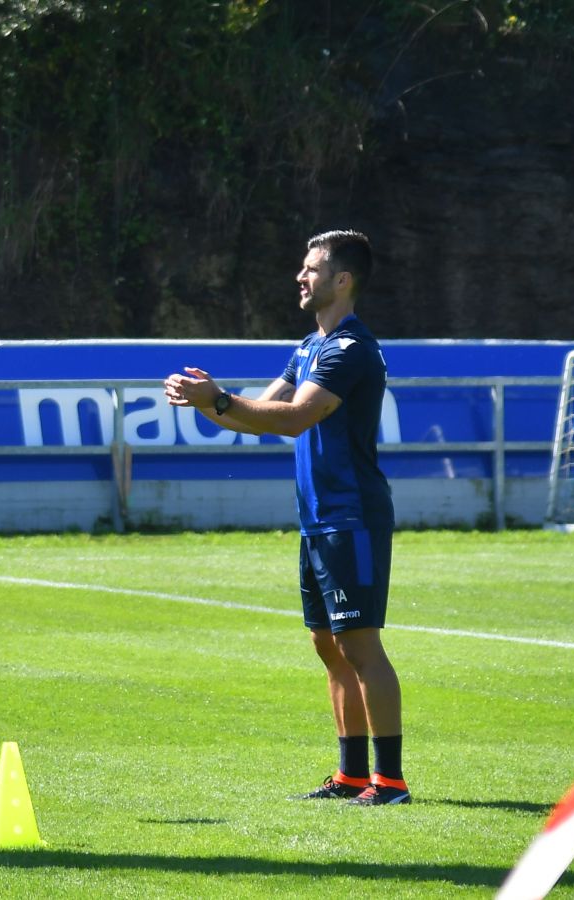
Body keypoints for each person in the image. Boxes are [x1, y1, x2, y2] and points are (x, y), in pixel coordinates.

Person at [163, 230, 408, 806]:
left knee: (361, 646)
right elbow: (259, 417)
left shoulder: (350, 349)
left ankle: (390, 780)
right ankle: (351, 775)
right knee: (329, 646)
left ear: (341, 280)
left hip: (352, 516)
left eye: (312, 269)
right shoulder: (310, 347)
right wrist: (207, 400)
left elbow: (295, 419)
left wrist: (219, 400)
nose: (301, 277)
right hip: (318, 518)